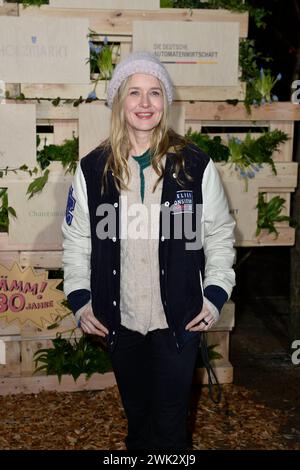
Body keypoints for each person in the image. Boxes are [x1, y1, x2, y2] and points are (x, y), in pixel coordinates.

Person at [62, 51, 235, 451]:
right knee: (138, 426)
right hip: (120, 324)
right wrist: (82, 299)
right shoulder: (93, 169)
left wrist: (214, 293)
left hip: (178, 322)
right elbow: (77, 238)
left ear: (165, 102)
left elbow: (220, 233)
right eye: (134, 92)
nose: (144, 103)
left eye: (154, 93)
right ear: (119, 102)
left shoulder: (194, 166)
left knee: (172, 432)